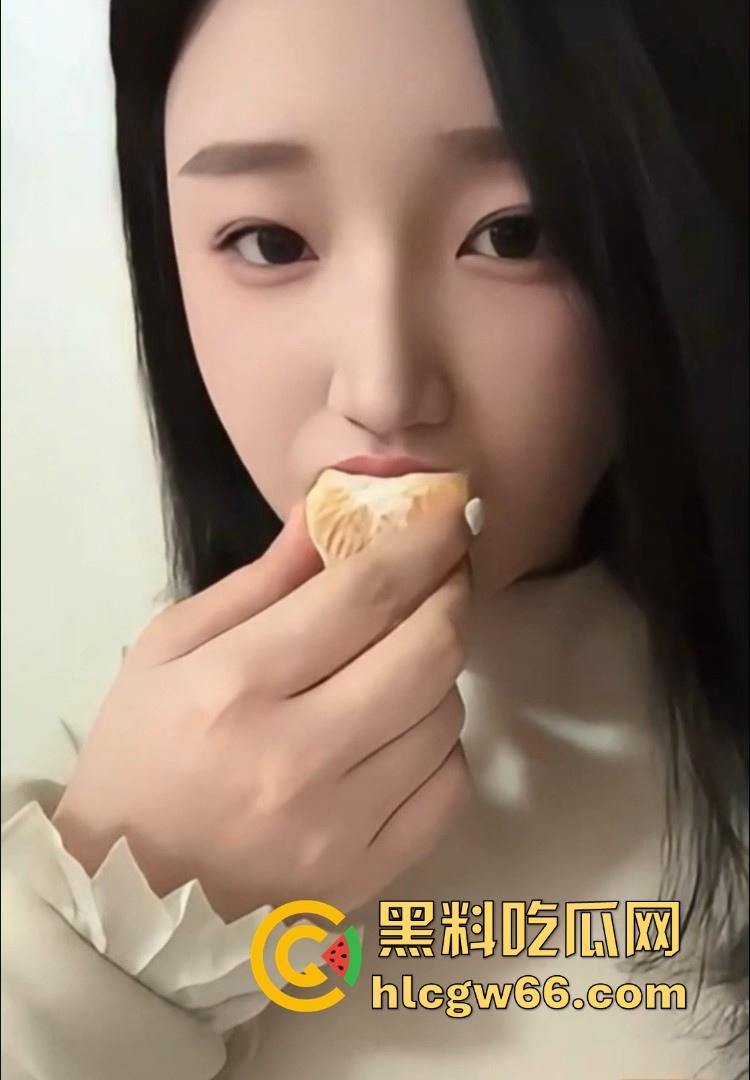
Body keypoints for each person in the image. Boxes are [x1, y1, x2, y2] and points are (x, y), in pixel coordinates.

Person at [2, 0, 747, 1077]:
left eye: (515, 234)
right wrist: (96, 955)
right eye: (270, 242)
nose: (383, 388)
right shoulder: (111, 829)